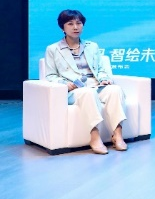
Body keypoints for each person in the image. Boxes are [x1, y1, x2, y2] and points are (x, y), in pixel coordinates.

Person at [44, 9, 128, 154]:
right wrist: (65, 84)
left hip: (96, 85)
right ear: (62, 27)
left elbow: (100, 69)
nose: (75, 27)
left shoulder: (92, 46)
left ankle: (118, 134)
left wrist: (104, 79)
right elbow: (51, 75)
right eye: (70, 24)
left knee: (115, 90)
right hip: (75, 90)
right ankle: (94, 136)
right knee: (87, 93)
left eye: (79, 23)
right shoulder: (53, 49)